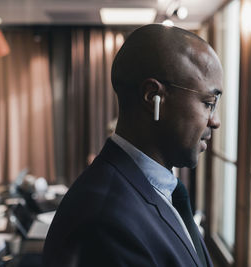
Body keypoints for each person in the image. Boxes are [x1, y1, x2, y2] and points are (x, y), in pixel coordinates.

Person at [43, 24, 223, 267]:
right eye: (208, 103)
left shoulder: (159, 188)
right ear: (152, 97)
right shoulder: (106, 220)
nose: (216, 121)